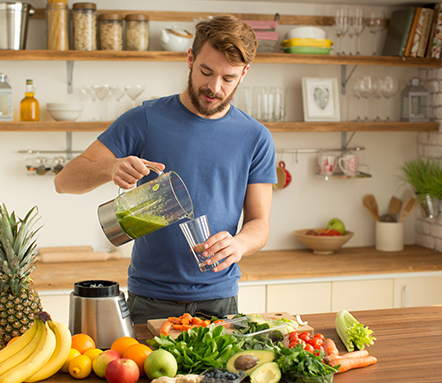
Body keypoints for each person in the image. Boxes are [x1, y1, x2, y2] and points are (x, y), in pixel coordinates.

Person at [54, 15, 276, 323]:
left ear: (244, 74)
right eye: (206, 71)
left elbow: (260, 224)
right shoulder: (144, 119)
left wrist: (239, 244)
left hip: (219, 300)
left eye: (228, 78)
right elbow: (65, 181)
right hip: (150, 300)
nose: (214, 87)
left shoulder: (255, 137)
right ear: (190, 58)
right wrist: (111, 167)